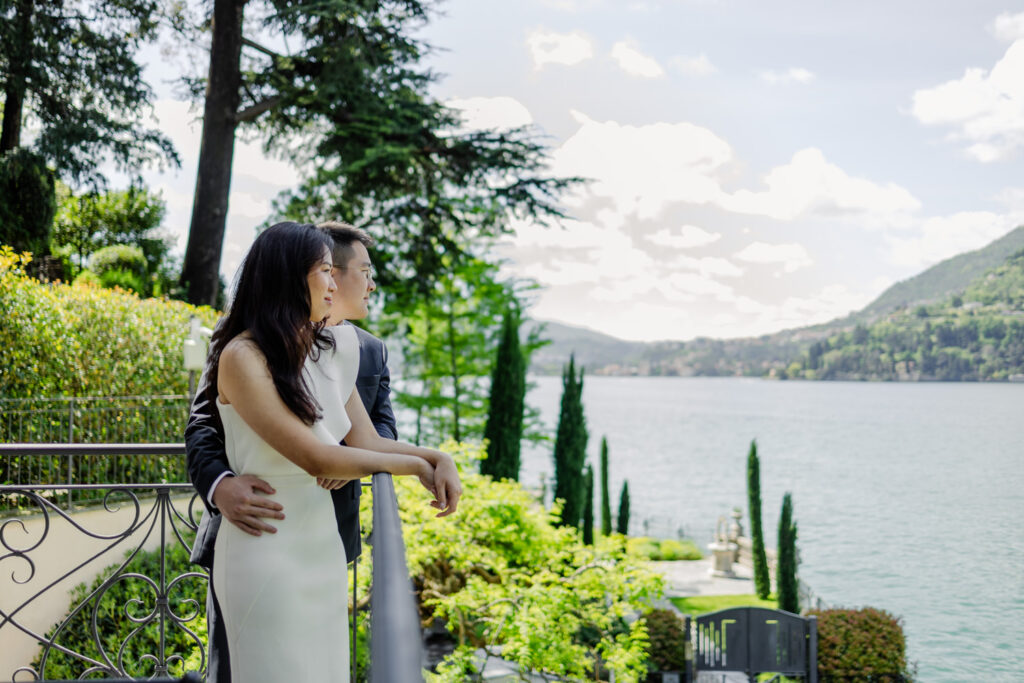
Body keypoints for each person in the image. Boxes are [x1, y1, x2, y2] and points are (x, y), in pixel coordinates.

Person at [190, 222, 460, 683]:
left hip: (322, 548)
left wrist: (438, 457)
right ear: (289, 277)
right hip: (265, 545)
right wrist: (415, 467)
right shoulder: (242, 355)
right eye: (325, 271)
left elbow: (368, 442)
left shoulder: (328, 350)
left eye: (336, 272)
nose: (335, 282)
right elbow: (317, 459)